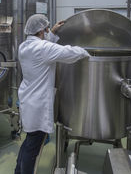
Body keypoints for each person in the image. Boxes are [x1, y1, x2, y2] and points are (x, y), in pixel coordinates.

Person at [15, 14, 90, 174]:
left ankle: (17, 171)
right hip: (38, 106)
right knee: (33, 149)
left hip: (28, 100)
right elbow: (68, 53)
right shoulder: (43, 49)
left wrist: (53, 33)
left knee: (29, 142)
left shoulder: (24, 46)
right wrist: (85, 52)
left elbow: (45, 46)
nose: (47, 32)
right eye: (46, 30)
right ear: (42, 31)